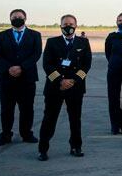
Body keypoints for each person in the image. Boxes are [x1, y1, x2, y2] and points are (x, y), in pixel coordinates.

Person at [37, 14, 92, 161]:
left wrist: (73, 80)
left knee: (75, 119)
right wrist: (60, 80)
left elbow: (86, 65)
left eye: (71, 24)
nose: (68, 26)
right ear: (60, 26)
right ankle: (43, 149)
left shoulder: (83, 42)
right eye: (65, 24)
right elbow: (47, 65)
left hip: (75, 87)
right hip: (55, 87)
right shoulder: (52, 42)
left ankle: (76, 146)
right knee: (49, 118)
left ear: (76, 25)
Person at [0, 9, 42, 146]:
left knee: (27, 108)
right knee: (6, 109)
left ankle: (26, 134)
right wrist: (9, 67)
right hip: (6, 78)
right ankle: (6, 135)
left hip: (27, 79)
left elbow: (36, 54)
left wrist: (22, 67)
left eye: (20, 17)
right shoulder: (2, 35)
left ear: (25, 18)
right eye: (14, 17)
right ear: (10, 19)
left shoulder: (35, 35)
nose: (17, 18)